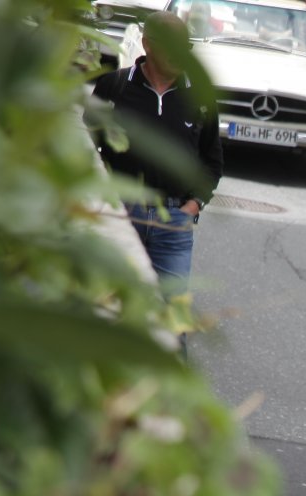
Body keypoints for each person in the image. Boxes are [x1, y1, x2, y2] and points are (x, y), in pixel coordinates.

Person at [91, 12, 223, 291]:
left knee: (172, 310)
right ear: (148, 44)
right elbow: (87, 149)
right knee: (111, 301)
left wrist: (193, 205)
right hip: (121, 214)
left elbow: (212, 161)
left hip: (173, 222)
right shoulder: (114, 86)